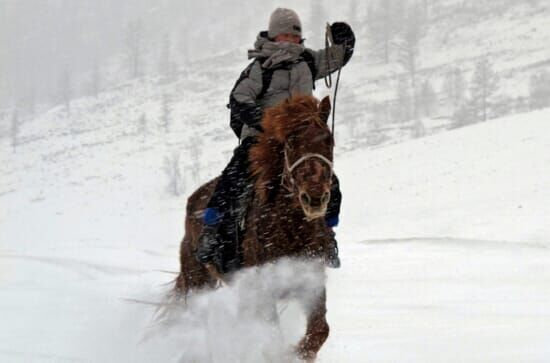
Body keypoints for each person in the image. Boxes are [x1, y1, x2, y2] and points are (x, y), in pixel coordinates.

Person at [196, 8, 355, 272]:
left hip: (298, 141)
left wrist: (345, 42)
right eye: (283, 35)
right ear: (272, 35)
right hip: (262, 137)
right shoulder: (260, 67)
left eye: (294, 36)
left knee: (329, 181)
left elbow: (336, 59)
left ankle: (328, 235)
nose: (289, 41)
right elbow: (238, 98)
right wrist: (266, 121)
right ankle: (212, 229)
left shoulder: (308, 62)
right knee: (236, 174)